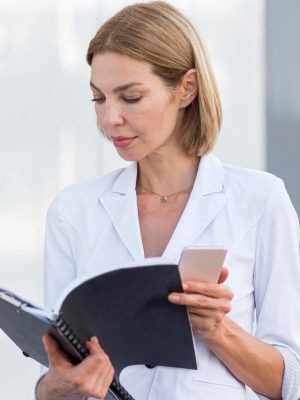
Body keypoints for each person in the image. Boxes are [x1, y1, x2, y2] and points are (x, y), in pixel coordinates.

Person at [36, 1, 300, 399]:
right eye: (99, 99)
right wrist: (60, 384)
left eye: (130, 97)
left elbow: (291, 383)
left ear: (186, 88)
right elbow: (50, 384)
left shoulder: (259, 200)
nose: (109, 119)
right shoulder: (73, 211)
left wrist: (217, 330)